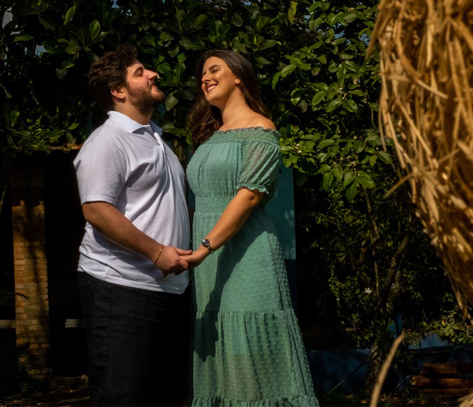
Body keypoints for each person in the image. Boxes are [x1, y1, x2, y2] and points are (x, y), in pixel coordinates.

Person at [182, 50, 317, 406]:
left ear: (238, 76)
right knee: (222, 360)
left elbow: (249, 197)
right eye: (202, 74)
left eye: (214, 70)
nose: (205, 78)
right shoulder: (209, 138)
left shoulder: (261, 129)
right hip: (208, 263)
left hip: (246, 258)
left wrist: (205, 246)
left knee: (252, 361)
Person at [74, 45, 192, 406]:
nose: (153, 74)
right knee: (121, 398)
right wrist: (156, 251)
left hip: (169, 291)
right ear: (118, 91)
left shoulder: (156, 138)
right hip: (121, 287)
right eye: (140, 72)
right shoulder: (108, 141)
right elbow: (96, 209)